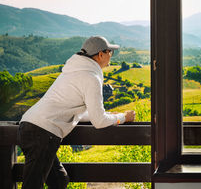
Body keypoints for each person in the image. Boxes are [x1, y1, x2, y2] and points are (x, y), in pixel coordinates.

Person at [18, 36, 136, 189]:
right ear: (100, 54)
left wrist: (107, 115)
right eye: (110, 52)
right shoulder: (91, 77)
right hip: (43, 132)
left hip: (32, 126)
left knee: (59, 181)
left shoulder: (73, 71)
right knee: (33, 185)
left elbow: (87, 114)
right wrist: (122, 117)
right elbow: (99, 122)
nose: (111, 56)